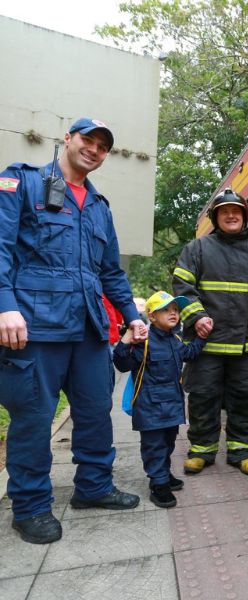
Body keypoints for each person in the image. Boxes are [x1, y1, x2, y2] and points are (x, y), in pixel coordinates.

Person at [0, 117, 147, 544]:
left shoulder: (99, 206)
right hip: (35, 326)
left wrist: (130, 314)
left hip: (88, 328)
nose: (95, 150)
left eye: (103, 146)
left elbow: (110, 271)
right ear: (68, 139)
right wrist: (5, 305)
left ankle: (94, 487)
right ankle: (29, 506)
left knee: (95, 411)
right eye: (88, 140)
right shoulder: (22, 182)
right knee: (33, 418)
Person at [172, 188, 248, 476]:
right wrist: (197, 316)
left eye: (235, 211)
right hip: (207, 345)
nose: (230, 215)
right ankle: (202, 451)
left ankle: (242, 452)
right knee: (203, 397)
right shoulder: (197, 249)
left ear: (244, 216)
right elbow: (182, 286)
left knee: (243, 399)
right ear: (216, 217)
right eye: (224, 211)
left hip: (246, 345)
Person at [112, 291, 208, 508]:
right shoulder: (143, 341)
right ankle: (158, 484)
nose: (173, 313)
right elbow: (122, 363)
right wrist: (126, 338)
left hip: (173, 405)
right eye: (165, 309)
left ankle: (163, 474)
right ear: (152, 316)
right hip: (150, 406)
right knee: (154, 446)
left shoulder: (175, 339)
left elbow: (189, 354)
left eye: (175, 309)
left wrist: (201, 338)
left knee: (168, 443)